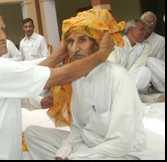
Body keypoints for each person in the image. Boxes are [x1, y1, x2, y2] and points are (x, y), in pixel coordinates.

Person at [0, 4, 114, 160]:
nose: (3, 37)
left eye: (3, 29)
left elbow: (22, 73)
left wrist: (59, 55)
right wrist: (102, 54)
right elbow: (62, 75)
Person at [24, 9, 147, 160]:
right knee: (33, 134)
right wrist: (62, 153)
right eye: (70, 42)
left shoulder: (117, 77)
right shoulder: (76, 79)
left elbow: (122, 142)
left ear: (96, 45)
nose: (75, 49)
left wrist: (77, 156)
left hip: (119, 153)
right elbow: (77, 129)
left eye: (82, 40)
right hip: (86, 145)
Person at [107, 18, 152, 94]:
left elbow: (138, 64)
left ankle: (125, 94)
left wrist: (126, 79)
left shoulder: (145, 47)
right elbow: (112, 65)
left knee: (145, 71)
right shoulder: (117, 43)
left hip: (131, 80)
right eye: (141, 30)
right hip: (116, 80)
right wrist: (122, 79)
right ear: (131, 30)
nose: (144, 33)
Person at [141, 11, 165, 93]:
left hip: (158, 76)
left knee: (149, 60)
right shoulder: (137, 39)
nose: (149, 25)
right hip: (142, 74)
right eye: (146, 22)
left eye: (152, 22)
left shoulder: (160, 41)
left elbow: (160, 64)